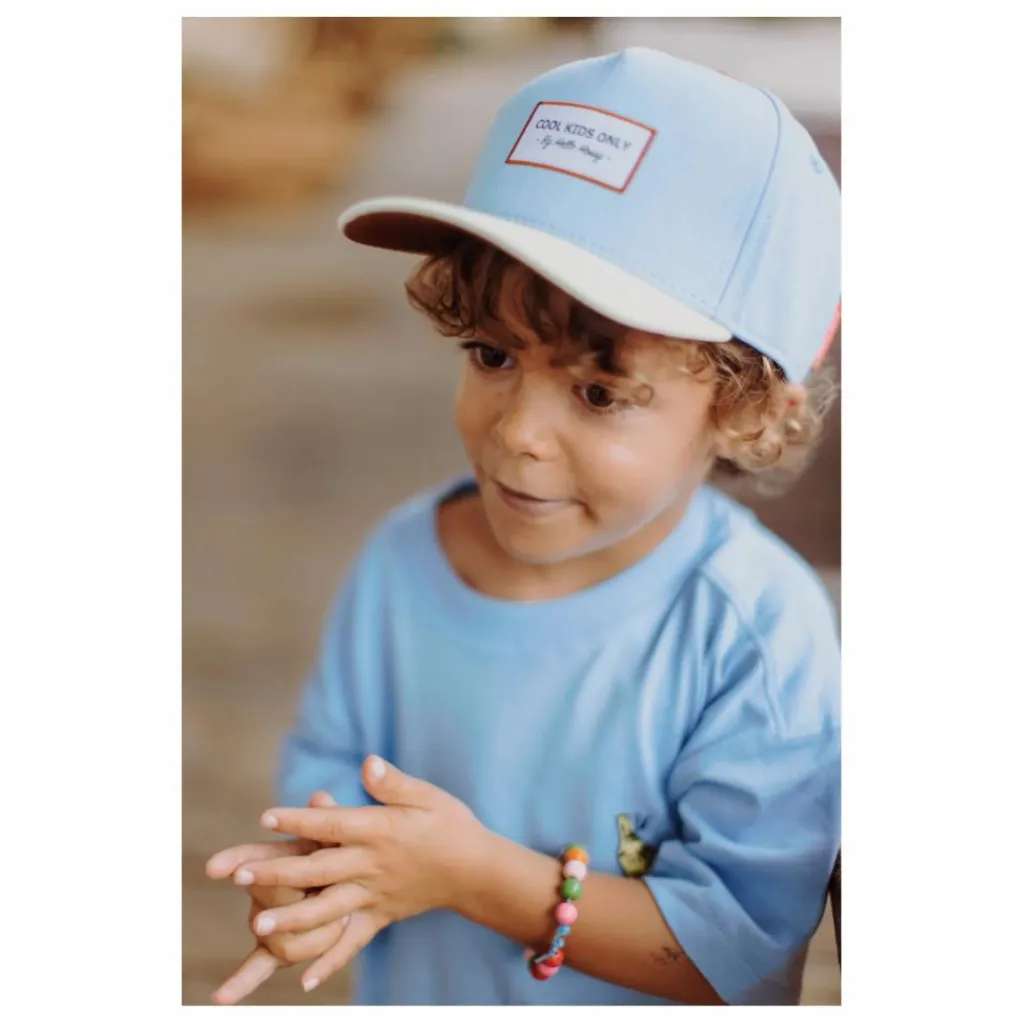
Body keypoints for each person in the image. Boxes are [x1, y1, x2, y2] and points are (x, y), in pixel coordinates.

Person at [204, 46, 841, 1006]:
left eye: (599, 392)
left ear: (748, 412)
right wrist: (318, 875)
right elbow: (330, 779)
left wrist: (474, 877)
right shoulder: (402, 560)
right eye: (492, 354)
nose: (516, 433)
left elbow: (736, 954)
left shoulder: (756, 632)